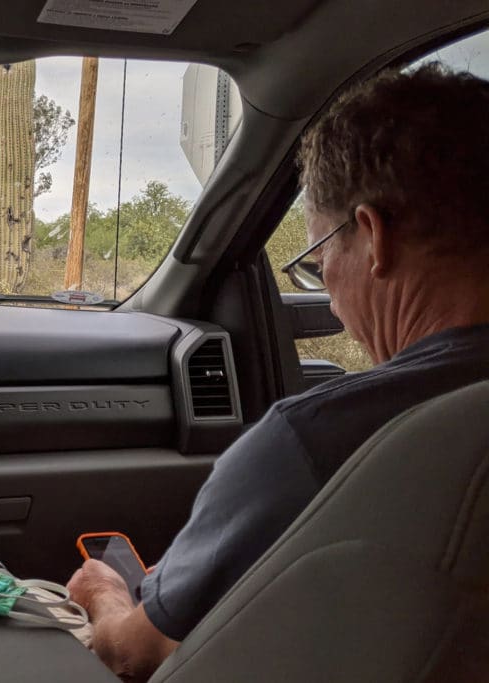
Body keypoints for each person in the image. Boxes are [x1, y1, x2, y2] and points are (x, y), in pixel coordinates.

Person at [66, 62, 489, 680]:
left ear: (373, 236)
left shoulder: (313, 440)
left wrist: (105, 594)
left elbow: (133, 652)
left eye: (318, 257)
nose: (333, 301)